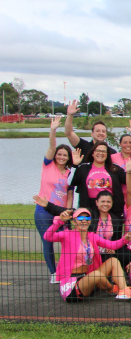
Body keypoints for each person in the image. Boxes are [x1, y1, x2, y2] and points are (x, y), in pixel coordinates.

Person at [43, 208, 131, 301]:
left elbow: (112, 245)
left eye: (87, 218)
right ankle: (112, 289)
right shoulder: (67, 234)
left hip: (87, 276)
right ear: (74, 221)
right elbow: (47, 236)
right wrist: (60, 221)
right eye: (80, 218)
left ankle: (124, 290)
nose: (84, 221)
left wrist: (125, 239)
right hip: (72, 284)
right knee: (96, 274)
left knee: (113, 261)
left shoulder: (92, 236)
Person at [35, 116, 74, 280]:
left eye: (65, 155)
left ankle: (68, 270)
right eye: (60, 154)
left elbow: (70, 194)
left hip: (61, 212)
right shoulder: (47, 165)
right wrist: (53, 130)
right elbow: (51, 146)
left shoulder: (70, 172)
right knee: (47, 242)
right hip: (43, 211)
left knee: (68, 241)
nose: (62, 157)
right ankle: (53, 273)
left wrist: (68, 211)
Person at [69, 141, 128, 218]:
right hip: (89, 207)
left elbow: (128, 180)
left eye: (104, 151)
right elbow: (71, 182)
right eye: (98, 151)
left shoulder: (114, 169)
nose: (101, 153)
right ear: (92, 153)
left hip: (110, 207)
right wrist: (74, 165)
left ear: (107, 155)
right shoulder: (84, 168)